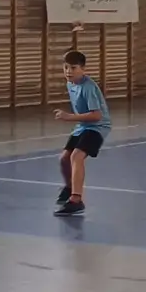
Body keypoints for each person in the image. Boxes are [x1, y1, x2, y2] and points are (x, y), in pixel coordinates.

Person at [52, 49, 111, 218]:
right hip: (83, 126)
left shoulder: (88, 87)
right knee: (64, 159)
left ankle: (76, 200)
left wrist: (69, 117)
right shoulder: (70, 84)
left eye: (73, 68)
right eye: (66, 67)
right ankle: (70, 187)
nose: (69, 71)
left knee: (76, 156)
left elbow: (96, 115)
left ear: (83, 69)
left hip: (98, 126)